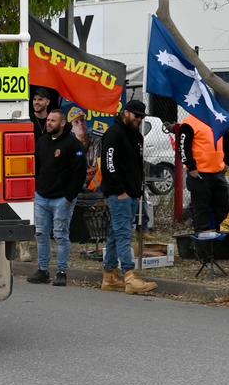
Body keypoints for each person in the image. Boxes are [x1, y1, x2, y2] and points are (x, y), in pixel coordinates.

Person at [98, 99, 157, 295]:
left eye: (141, 116)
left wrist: (138, 192)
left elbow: (137, 167)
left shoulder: (136, 137)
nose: (138, 119)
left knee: (116, 234)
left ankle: (110, 275)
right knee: (124, 233)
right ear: (126, 112)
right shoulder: (114, 134)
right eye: (135, 115)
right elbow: (109, 165)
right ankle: (129, 276)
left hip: (131, 193)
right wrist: (119, 190)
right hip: (118, 194)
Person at [27, 110, 86, 287]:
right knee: (41, 234)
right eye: (48, 120)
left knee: (60, 235)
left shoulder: (73, 144)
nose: (49, 123)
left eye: (53, 121)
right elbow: (36, 166)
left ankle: (61, 272)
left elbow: (79, 172)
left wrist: (69, 196)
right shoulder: (42, 142)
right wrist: (36, 188)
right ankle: (43, 270)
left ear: (62, 123)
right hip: (42, 197)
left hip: (62, 199)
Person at [177, 115, 229, 232]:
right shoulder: (189, 123)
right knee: (201, 212)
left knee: (222, 211)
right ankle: (203, 244)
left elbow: (227, 139)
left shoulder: (217, 119)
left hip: (218, 174)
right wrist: (191, 167)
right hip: (199, 175)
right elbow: (183, 146)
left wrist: (227, 161)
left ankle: (222, 242)